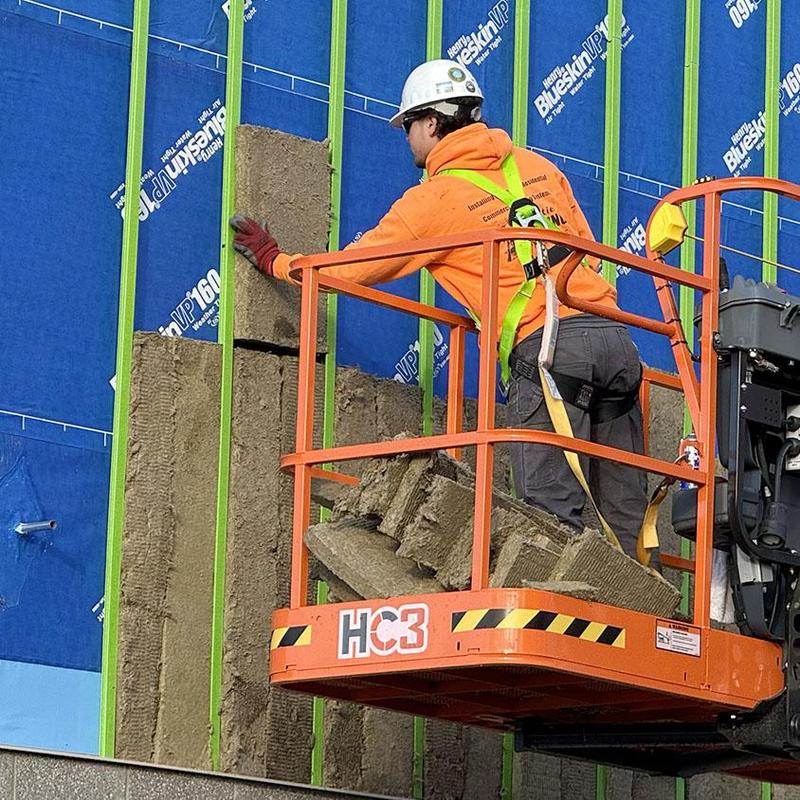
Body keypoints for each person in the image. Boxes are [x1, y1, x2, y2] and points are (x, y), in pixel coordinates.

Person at [230, 59, 649, 560]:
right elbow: (583, 246)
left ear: (431, 122)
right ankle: (647, 610)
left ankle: (560, 616)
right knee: (625, 508)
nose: (407, 138)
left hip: (551, 353)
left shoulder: (435, 200)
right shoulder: (539, 169)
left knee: (550, 510)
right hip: (616, 342)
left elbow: (351, 270)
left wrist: (279, 262)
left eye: (408, 125)